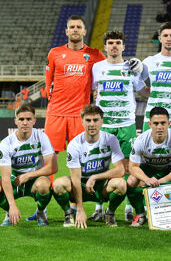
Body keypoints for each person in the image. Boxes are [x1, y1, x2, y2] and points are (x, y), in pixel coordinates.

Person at [30, 15, 105, 221]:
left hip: (80, 115)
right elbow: (48, 82)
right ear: (66, 31)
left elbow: (107, 72)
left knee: (85, 160)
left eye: (78, 27)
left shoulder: (94, 54)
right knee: (49, 160)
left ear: (84, 31)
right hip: (55, 114)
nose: (74, 30)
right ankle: (41, 209)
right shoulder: (55, 53)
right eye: (71, 27)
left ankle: (77, 204)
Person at [91, 30, 149, 222]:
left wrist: (144, 71)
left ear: (123, 47)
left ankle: (128, 208)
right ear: (105, 47)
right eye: (110, 43)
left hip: (126, 125)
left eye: (117, 43)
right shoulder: (97, 68)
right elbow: (91, 91)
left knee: (126, 168)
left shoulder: (132, 67)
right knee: (100, 165)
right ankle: (99, 208)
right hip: (104, 126)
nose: (114, 46)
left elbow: (145, 92)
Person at [52, 105, 126, 228]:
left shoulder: (111, 139)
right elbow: (75, 178)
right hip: (79, 185)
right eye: (88, 120)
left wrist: (94, 177)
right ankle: (69, 213)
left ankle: (110, 213)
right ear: (82, 122)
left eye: (95, 120)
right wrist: (80, 208)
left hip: (101, 186)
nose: (92, 124)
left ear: (101, 121)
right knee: (58, 184)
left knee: (121, 184)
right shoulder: (75, 144)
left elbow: (121, 169)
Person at [126, 107, 171, 227]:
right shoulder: (141, 140)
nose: (159, 127)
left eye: (163, 123)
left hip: (169, 168)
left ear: (169, 124)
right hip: (149, 168)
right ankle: (140, 214)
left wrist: (163, 180)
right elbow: (133, 167)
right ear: (149, 124)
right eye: (155, 123)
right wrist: (146, 179)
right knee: (130, 181)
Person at [0, 104, 58, 227]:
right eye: (21, 119)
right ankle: (9, 213)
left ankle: (41, 212)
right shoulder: (6, 143)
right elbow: (5, 176)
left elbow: (53, 167)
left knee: (44, 184)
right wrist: (12, 206)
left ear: (34, 121)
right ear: (16, 121)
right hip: (14, 180)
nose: (25, 123)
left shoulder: (41, 137)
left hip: (35, 180)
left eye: (28, 119)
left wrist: (29, 175)